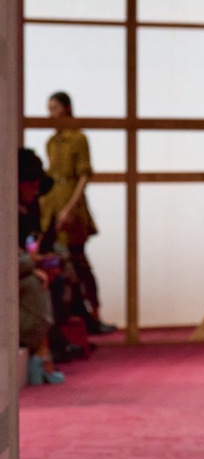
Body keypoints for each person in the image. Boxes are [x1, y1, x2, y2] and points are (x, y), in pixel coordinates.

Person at [39, 91, 116, 334]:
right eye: (49, 108)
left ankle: (94, 315)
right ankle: (73, 317)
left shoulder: (78, 138)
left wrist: (70, 207)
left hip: (71, 202)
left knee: (79, 261)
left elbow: (84, 175)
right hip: (52, 202)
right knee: (59, 261)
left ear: (66, 108)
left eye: (54, 108)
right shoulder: (52, 141)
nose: (51, 113)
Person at [17, 149, 65, 385]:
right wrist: (33, 263)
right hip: (16, 273)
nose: (35, 190)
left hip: (21, 267)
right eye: (31, 184)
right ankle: (43, 350)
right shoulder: (11, 211)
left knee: (55, 276)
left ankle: (46, 348)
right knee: (37, 283)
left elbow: (29, 245)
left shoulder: (30, 209)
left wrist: (41, 260)